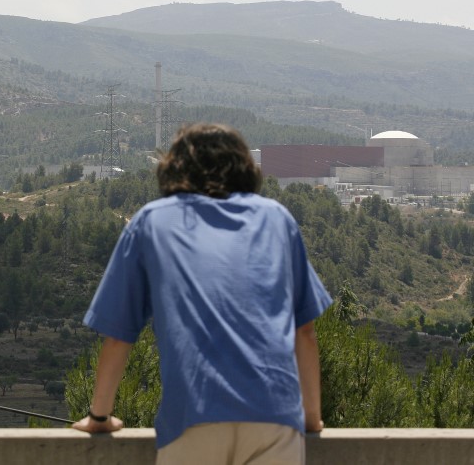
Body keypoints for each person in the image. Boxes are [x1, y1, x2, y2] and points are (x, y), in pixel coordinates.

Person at [72, 123, 332, 464]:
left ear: (173, 168)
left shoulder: (151, 221)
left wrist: (100, 418)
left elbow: (119, 336)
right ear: (245, 168)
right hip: (275, 419)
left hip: (192, 420)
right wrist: (310, 417)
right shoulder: (277, 219)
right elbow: (305, 331)